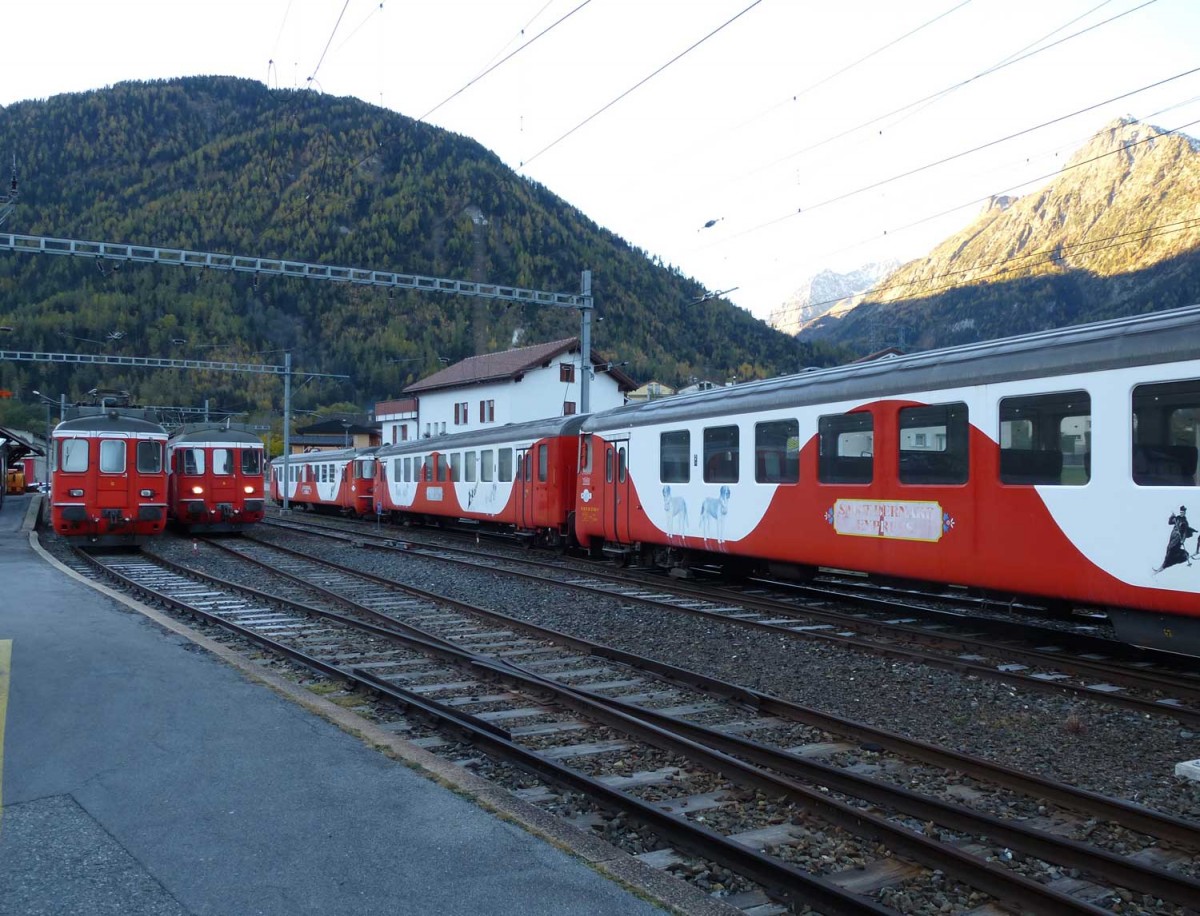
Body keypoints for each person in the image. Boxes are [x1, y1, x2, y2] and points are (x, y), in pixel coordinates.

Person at [1155, 506, 1197, 572]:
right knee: (1168, 548)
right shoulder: (1177, 518)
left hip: (1178, 538)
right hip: (1173, 536)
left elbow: (1185, 532)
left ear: (1185, 513)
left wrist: (1183, 540)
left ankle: (1164, 566)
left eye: (1183, 512)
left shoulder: (1185, 521)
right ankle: (1163, 565)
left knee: (1171, 550)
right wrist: (1172, 517)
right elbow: (1170, 523)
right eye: (1181, 512)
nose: (1181, 513)